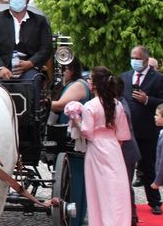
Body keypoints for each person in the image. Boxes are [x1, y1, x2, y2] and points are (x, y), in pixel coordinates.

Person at [121, 44, 163, 215]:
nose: (134, 61)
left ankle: (155, 201)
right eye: (132, 58)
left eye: (137, 58)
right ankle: (126, 201)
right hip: (127, 130)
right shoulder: (125, 77)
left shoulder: (158, 79)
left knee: (148, 168)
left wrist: (148, 100)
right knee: (126, 168)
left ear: (145, 59)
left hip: (147, 130)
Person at [77, 66, 132, 226]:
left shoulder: (90, 106)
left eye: (90, 79)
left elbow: (87, 132)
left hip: (96, 147)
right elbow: (122, 134)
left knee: (98, 189)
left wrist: (76, 121)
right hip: (113, 146)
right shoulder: (117, 104)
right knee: (115, 188)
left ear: (94, 85)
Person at [49, 57, 91, 226]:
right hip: (70, 136)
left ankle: (74, 218)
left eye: (65, 69)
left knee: (74, 178)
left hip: (73, 138)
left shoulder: (78, 85)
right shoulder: (72, 84)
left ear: (72, 69)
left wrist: (41, 102)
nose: (62, 72)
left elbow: (59, 105)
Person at [115, 79, 141, 226]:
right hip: (126, 150)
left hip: (126, 151)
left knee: (124, 186)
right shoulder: (120, 102)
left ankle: (130, 217)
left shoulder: (121, 108)